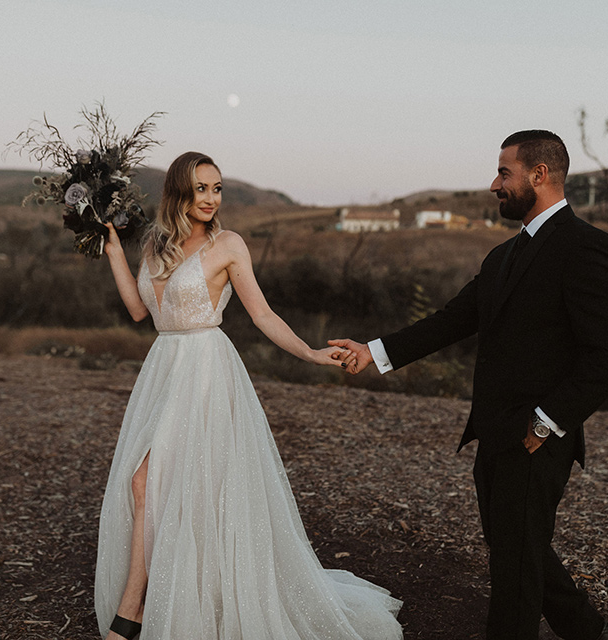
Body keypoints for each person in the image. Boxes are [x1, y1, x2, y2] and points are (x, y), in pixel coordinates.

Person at [331, 131, 608, 640]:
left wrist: (545, 422)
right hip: (495, 433)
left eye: (504, 172)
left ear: (539, 175)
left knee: (514, 569)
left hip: (537, 437)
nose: (495, 183)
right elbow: (452, 320)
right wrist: (374, 352)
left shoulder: (586, 247)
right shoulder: (501, 257)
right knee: (516, 546)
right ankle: (591, 632)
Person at [94, 151, 404, 640]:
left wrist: (307, 351)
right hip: (165, 369)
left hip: (206, 371)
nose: (211, 198)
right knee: (153, 486)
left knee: (148, 483)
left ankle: (130, 615)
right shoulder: (154, 245)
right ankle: (168, 596)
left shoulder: (230, 245)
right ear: (179, 192)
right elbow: (139, 311)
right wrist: (114, 251)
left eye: (217, 189)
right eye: (201, 189)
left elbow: (261, 315)